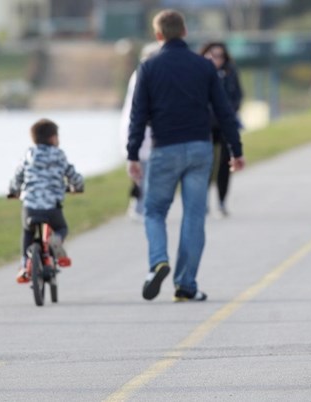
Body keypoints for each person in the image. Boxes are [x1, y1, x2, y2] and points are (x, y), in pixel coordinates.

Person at [127, 9, 245, 302]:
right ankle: (186, 285)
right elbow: (224, 111)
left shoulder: (148, 68)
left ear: (158, 35)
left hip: (164, 149)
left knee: (154, 211)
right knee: (194, 216)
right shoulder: (203, 67)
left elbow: (137, 116)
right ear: (185, 33)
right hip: (199, 148)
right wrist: (236, 150)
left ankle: (158, 262)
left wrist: (132, 154)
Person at [8, 118, 84, 283]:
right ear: (52, 138)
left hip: (30, 206)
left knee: (28, 231)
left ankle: (24, 264)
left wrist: (13, 191)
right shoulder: (59, 155)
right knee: (62, 227)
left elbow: (17, 176)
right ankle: (55, 240)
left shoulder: (29, 154)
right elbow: (72, 175)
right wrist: (77, 186)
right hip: (51, 207)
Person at [200, 41, 243, 217]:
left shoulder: (230, 72)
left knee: (226, 164)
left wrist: (229, 111)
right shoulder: (198, 72)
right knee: (205, 165)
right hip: (205, 125)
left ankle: (222, 201)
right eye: (212, 55)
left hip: (225, 124)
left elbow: (238, 95)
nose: (216, 59)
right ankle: (203, 203)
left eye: (220, 56)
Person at [119, 43, 158, 221]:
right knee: (144, 171)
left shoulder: (142, 73)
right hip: (143, 128)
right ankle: (141, 206)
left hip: (140, 129)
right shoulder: (146, 74)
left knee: (142, 171)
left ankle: (139, 206)